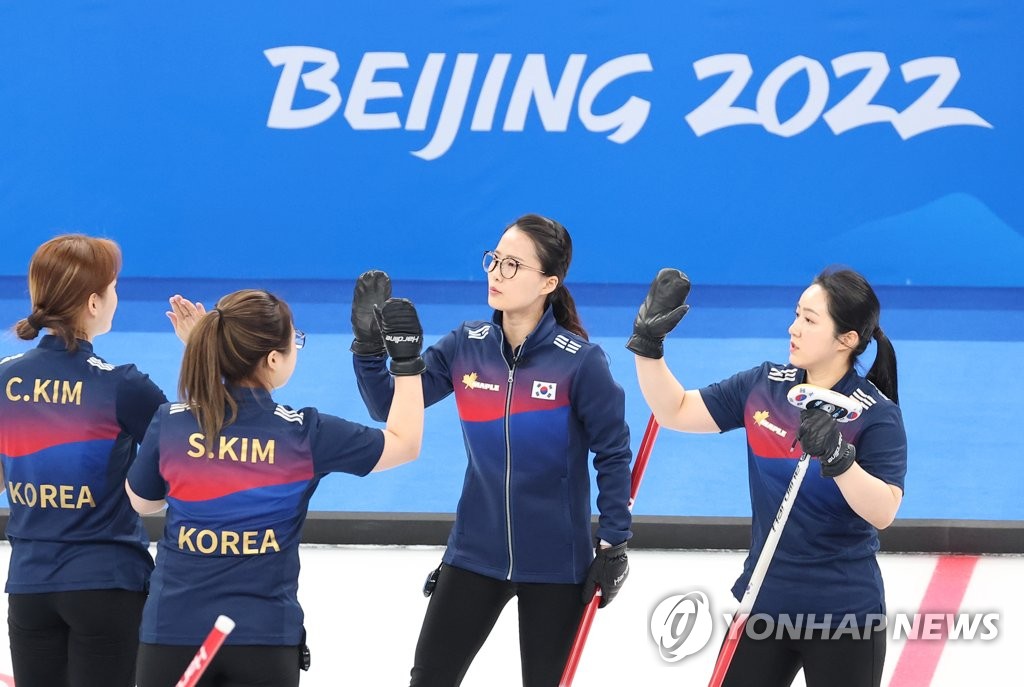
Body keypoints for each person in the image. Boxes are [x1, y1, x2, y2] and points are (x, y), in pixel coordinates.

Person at [351, 214, 633, 687]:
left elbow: (613, 452)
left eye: (513, 265)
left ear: (549, 281)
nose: (496, 274)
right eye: (494, 260)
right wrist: (368, 350)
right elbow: (389, 407)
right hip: (473, 555)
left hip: (556, 564)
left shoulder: (581, 363)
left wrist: (615, 541)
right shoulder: (466, 345)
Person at [126, 288, 426, 687]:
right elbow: (404, 444)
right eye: (294, 341)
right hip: (265, 638)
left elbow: (143, 503)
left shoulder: (172, 423)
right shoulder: (306, 434)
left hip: (173, 632)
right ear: (272, 359)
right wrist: (405, 362)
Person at [630, 267, 906, 687]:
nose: (793, 328)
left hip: (844, 617)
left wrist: (839, 458)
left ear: (848, 339)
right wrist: (649, 348)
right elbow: (676, 411)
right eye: (797, 314)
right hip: (762, 605)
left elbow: (884, 510)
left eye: (810, 321)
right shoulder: (764, 386)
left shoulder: (875, 414)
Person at [0, 234, 200, 687]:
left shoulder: (4, 378)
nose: (116, 298)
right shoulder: (123, 385)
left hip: (29, 588)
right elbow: (198, 448)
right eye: (113, 287)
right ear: (93, 302)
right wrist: (200, 347)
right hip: (107, 586)